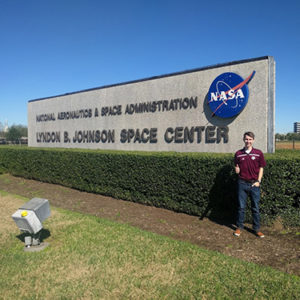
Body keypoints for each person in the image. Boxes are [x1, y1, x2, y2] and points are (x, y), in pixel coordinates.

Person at [234, 132, 266, 238]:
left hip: (254, 185)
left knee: (255, 208)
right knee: (241, 207)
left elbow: (261, 168)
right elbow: (237, 167)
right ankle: (239, 227)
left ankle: (256, 229)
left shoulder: (258, 153)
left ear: (253, 140)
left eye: (250, 139)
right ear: (244, 140)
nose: (248, 141)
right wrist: (237, 170)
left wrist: (259, 181)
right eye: (246, 139)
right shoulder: (238, 153)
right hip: (242, 183)